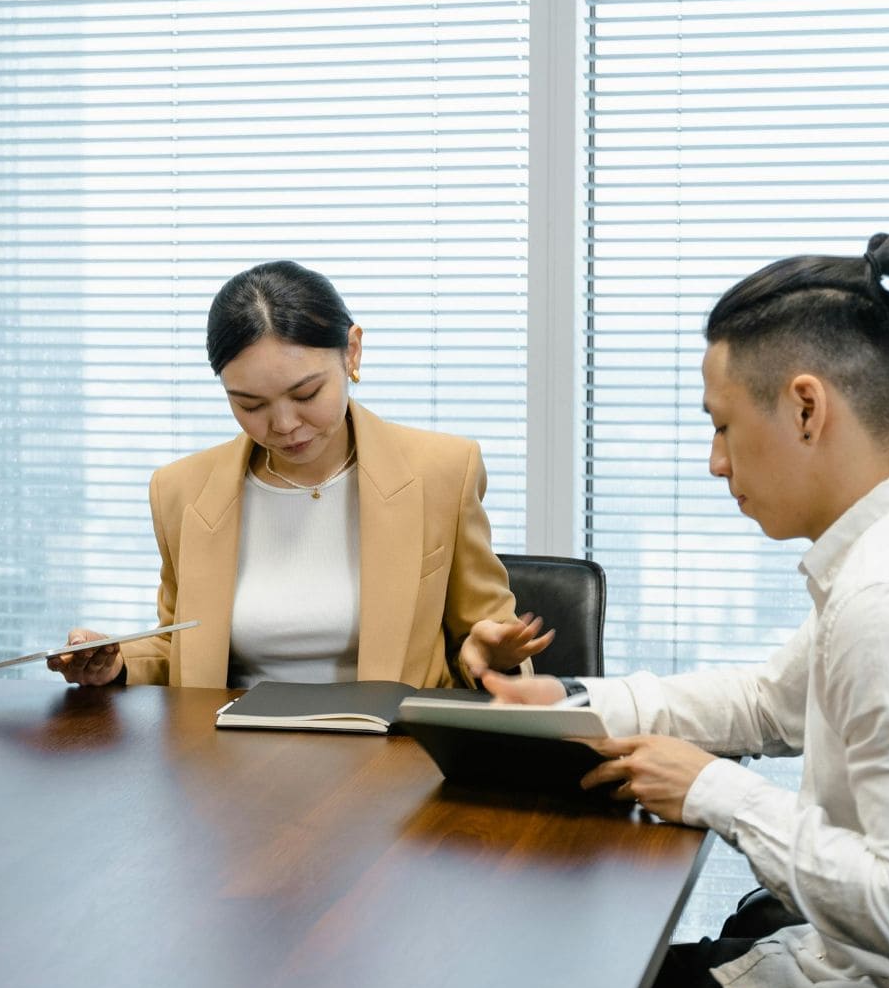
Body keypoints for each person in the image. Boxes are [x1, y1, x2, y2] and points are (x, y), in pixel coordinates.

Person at [486, 233, 889, 988]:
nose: (714, 462)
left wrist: (711, 792)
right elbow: (772, 701)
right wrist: (574, 700)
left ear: (807, 408)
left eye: (725, 427)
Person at [53, 260, 549, 689]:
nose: (285, 425)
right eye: (250, 404)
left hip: (394, 758)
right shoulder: (181, 490)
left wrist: (488, 660)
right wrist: (117, 662)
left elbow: (486, 638)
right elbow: (177, 649)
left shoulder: (442, 471)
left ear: (351, 353)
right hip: (228, 764)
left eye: (307, 394)